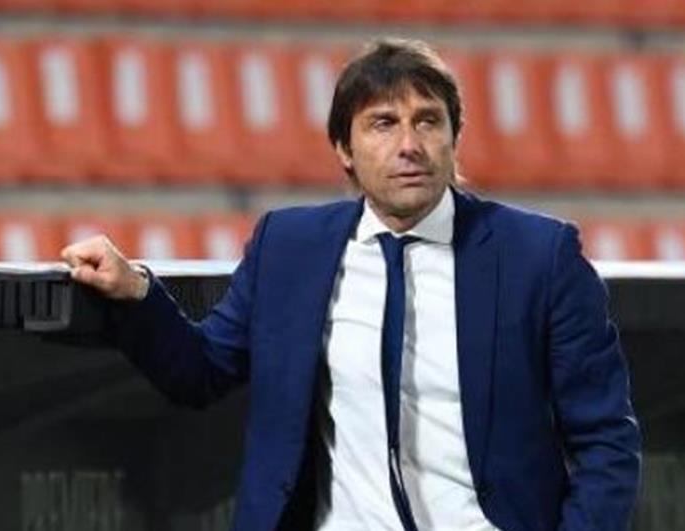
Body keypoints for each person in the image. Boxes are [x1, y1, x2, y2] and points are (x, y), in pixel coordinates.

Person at [61, 38, 641, 531]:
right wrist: (136, 292)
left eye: (427, 121)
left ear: (454, 138)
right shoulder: (289, 247)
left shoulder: (540, 256)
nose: (409, 144)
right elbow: (202, 370)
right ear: (345, 149)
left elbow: (606, 441)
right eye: (383, 124)